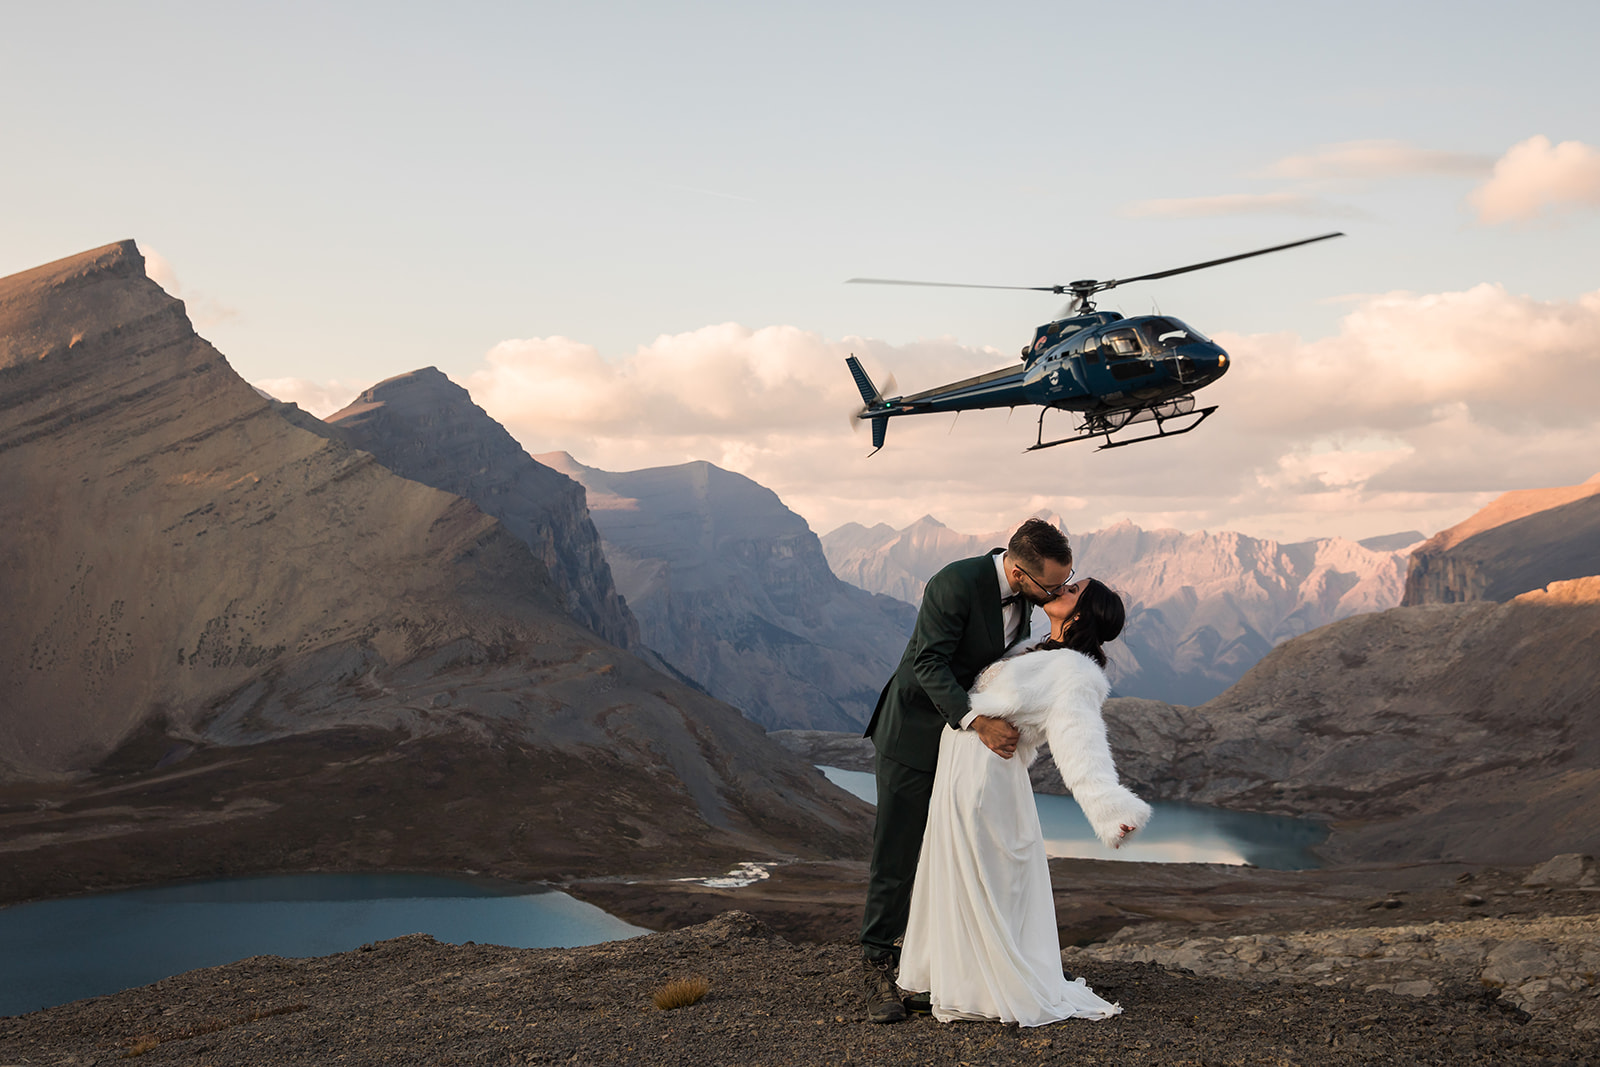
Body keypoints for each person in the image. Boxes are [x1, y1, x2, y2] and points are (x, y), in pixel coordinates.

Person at [897, 578, 1151, 1026]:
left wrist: (1109, 806)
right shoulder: (1035, 648)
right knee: (955, 872)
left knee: (983, 879)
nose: (1063, 587)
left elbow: (1081, 744)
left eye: (1074, 590)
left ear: (1080, 614)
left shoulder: (1076, 673)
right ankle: (947, 977)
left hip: (986, 779)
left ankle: (980, 989)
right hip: (960, 770)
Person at [859, 518, 1074, 1024]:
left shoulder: (1029, 595)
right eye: (1052, 585)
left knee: (958, 853)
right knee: (899, 848)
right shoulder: (954, 582)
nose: (1059, 591)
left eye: (1066, 582)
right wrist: (977, 722)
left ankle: (943, 961)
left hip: (962, 751)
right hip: (914, 735)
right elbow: (928, 661)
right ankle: (876, 958)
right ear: (1019, 573)